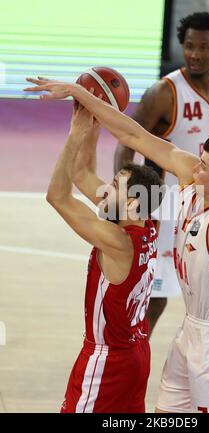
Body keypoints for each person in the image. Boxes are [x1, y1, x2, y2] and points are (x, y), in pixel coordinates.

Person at [24, 76, 209, 412]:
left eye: (203, 164)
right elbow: (133, 135)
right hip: (189, 330)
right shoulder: (186, 186)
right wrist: (82, 96)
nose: (194, 164)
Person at [114, 12, 209, 338]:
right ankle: (132, 359)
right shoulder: (163, 92)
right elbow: (127, 143)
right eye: (188, 46)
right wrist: (123, 201)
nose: (195, 54)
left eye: (203, 47)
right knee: (154, 298)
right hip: (167, 207)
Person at [31, 98, 162, 412]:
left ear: (132, 203)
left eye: (115, 186)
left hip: (108, 360)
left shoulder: (118, 241)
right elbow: (82, 173)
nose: (105, 190)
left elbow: (57, 196)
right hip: (136, 352)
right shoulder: (148, 222)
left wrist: (75, 134)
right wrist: (93, 123)